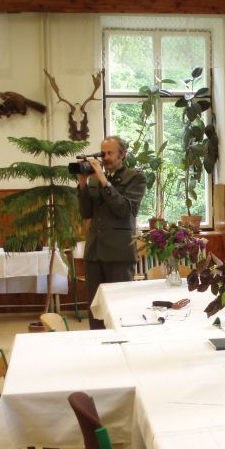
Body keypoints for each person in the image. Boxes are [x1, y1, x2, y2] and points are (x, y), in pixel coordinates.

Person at [77, 136, 146, 329]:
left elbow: (124, 210)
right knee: (96, 307)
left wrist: (104, 181)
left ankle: (121, 340)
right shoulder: (94, 179)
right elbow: (86, 213)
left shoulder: (135, 177)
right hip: (95, 251)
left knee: (120, 305)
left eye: (110, 153)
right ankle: (97, 340)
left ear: (122, 155)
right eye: (103, 153)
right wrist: (82, 184)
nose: (105, 157)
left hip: (119, 252)